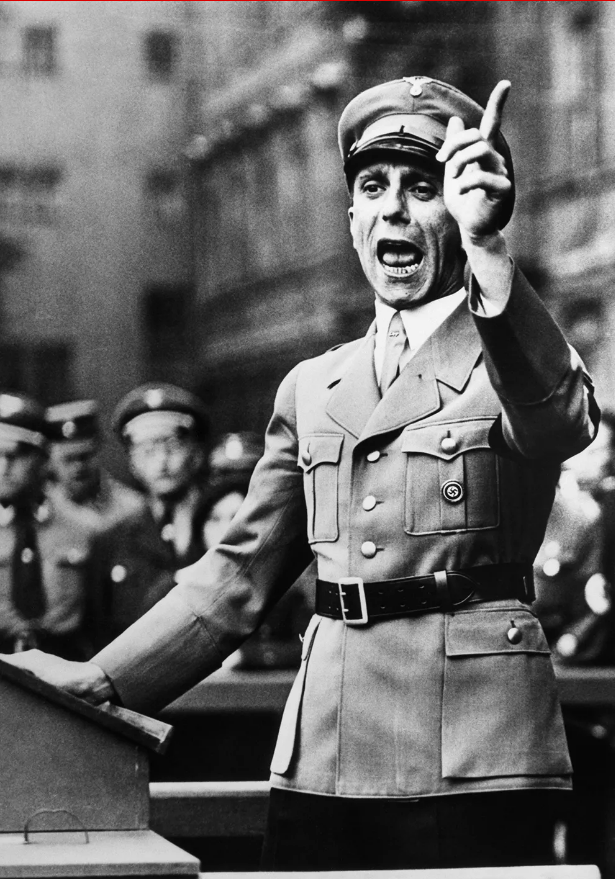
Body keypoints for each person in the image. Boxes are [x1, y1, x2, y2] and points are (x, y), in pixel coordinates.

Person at [1, 76, 599, 870]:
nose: (393, 210)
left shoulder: (512, 354)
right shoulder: (313, 387)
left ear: (462, 209)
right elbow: (235, 577)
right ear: (351, 219)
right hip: (327, 748)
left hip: (475, 753)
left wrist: (490, 250)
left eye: (423, 189)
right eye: (372, 187)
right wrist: (104, 680)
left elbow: (559, 422)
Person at [90, 383, 210, 647]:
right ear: (132, 463)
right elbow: (98, 634)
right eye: (147, 451)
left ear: (197, 454)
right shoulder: (111, 542)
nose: (161, 462)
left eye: (173, 447)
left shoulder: (222, 527)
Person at [0, 392, 100, 659]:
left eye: (17, 454)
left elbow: (100, 623)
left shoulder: (84, 529)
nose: (3, 466)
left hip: (67, 664)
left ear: (45, 459)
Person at [45, 399, 145, 533]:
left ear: (99, 452)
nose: (79, 467)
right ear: (50, 462)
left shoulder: (131, 508)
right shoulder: (42, 512)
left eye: (85, 457)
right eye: (69, 459)